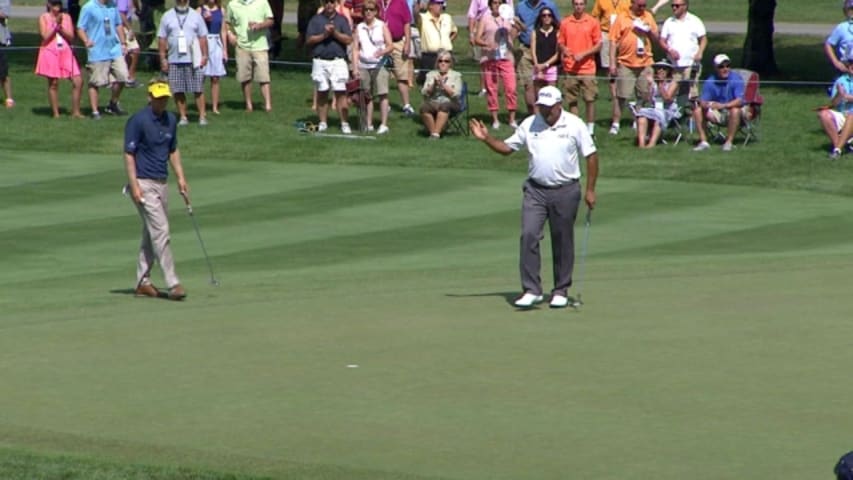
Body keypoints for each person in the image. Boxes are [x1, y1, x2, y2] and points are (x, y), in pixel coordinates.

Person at [469, 86, 598, 309]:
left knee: (562, 239)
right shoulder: (530, 123)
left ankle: (561, 290)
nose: (545, 111)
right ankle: (532, 289)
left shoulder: (574, 124)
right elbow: (507, 148)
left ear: (559, 105)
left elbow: (591, 156)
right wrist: (486, 138)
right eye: (542, 107)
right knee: (529, 234)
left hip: (566, 190)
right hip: (535, 190)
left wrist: (590, 189)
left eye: (549, 107)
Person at [124, 80, 188, 301]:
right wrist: (133, 186)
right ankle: (173, 282)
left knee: (151, 232)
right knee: (161, 231)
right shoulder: (138, 121)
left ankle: (143, 281)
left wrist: (180, 177)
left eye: (165, 98)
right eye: (158, 98)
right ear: (149, 97)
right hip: (143, 182)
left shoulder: (171, 120)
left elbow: (173, 150)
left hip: (162, 181)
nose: (162, 102)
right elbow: (129, 154)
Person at [607, 0, 657, 135]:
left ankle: (639, 118)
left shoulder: (648, 17)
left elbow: (656, 38)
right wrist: (612, 63)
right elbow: (612, 41)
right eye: (639, 5)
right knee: (621, 95)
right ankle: (616, 123)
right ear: (632, 4)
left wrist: (648, 31)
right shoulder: (622, 18)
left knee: (645, 94)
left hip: (645, 62)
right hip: (626, 63)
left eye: (644, 6)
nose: (642, 8)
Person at [158, 0, 209, 125]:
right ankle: (183, 117)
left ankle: (202, 116)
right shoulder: (167, 16)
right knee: (178, 90)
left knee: (198, 88)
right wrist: (163, 58)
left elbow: (203, 37)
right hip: (174, 59)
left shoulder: (196, 16)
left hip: (194, 59)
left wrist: (205, 55)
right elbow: (162, 38)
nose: (182, 1)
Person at [76, 0, 130, 119]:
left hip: (114, 49)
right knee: (96, 81)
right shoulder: (88, 7)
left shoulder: (112, 6)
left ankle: (113, 103)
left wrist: (123, 43)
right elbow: (80, 28)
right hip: (97, 50)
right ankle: (95, 111)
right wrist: (86, 40)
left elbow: (118, 24)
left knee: (123, 76)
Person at [306, 0, 353, 132]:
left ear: (335, 4)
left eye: (332, 2)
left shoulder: (342, 20)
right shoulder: (315, 20)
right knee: (322, 92)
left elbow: (349, 39)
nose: (329, 5)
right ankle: (323, 122)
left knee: (340, 93)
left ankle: (344, 123)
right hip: (320, 60)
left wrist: (335, 33)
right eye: (326, 2)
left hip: (338, 60)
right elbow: (309, 40)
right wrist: (324, 35)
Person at [557, 0, 601, 136]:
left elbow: (598, 45)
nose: (579, 7)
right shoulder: (566, 22)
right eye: (576, 4)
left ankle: (590, 129)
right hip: (570, 68)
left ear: (585, 5)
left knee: (589, 99)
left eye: (581, 4)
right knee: (572, 100)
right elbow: (560, 42)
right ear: (572, 5)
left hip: (587, 68)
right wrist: (564, 49)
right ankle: (575, 128)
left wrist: (584, 54)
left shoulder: (592, 22)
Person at [36, 0, 84, 118]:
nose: (56, 8)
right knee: (53, 83)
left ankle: (76, 111)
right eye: (54, 5)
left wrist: (61, 27)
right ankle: (55, 113)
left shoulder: (66, 17)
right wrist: (54, 25)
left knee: (78, 81)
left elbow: (71, 37)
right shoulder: (43, 17)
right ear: (48, 5)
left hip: (65, 51)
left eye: (58, 6)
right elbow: (45, 37)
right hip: (50, 51)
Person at [226, 0, 274, 112]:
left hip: (260, 45)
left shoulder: (262, 2)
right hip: (242, 46)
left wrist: (260, 25)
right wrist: (230, 34)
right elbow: (227, 23)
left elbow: (270, 20)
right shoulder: (233, 4)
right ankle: (249, 105)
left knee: (264, 77)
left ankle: (268, 105)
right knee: (245, 77)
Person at [475, 0, 517, 129]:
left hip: (506, 57)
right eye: (494, 3)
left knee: (511, 88)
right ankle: (495, 119)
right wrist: (487, 45)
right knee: (491, 88)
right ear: (490, 5)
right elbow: (476, 39)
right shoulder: (485, 19)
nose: (497, 6)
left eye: (499, 3)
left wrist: (515, 25)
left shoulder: (507, 18)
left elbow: (517, 31)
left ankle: (512, 119)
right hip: (490, 58)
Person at [353, 0, 393, 133]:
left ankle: (384, 124)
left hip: (379, 64)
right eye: (366, 10)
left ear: (376, 11)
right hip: (364, 64)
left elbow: (390, 45)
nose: (368, 12)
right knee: (366, 95)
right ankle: (368, 123)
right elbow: (355, 49)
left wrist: (382, 51)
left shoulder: (381, 25)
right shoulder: (359, 27)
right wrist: (355, 67)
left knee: (382, 93)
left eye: (371, 9)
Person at [513, 0, 559, 114]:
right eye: (544, 15)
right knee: (529, 85)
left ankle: (548, 115)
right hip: (526, 50)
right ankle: (533, 116)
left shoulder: (550, 5)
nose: (546, 17)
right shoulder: (520, 6)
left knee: (547, 88)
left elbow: (558, 24)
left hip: (546, 50)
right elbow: (515, 27)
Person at [692, 53, 744, 152]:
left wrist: (723, 105)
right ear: (715, 68)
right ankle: (704, 142)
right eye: (721, 66)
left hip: (736, 112)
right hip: (718, 113)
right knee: (698, 110)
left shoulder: (736, 79)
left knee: (735, 110)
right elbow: (703, 101)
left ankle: (728, 143)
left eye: (728, 66)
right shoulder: (710, 81)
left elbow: (740, 100)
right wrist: (707, 104)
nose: (725, 69)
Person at [657, 0, 705, 99]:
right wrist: (669, 50)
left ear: (685, 6)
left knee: (692, 97)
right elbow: (662, 41)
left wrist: (700, 52)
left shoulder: (695, 20)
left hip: (690, 65)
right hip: (674, 66)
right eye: (672, 6)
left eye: (677, 6)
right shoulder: (669, 22)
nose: (674, 8)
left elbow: (703, 39)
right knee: (669, 96)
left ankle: (690, 113)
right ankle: (675, 113)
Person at [590, 0, 628, 116]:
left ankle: (624, 91)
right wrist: (598, 34)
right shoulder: (601, 1)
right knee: (608, 66)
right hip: (606, 32)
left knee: (623, 63)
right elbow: (595, 16)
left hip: (622, 33)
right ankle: (614, 95)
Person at [634, 59, 678, 148]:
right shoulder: (653, 82)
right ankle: (641, 144)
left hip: (668, 109)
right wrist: (650, 85)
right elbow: (648, 99)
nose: (661, 70)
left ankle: (651, 144)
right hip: (655, 108)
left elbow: (667, 99)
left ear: (668, 71)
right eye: (658, 68)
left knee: (659, 117)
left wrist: (661, 84)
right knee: (642, 116)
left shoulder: (673, 83)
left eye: (664, 69)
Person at [381, 0, 415, 115]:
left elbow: (407, 23)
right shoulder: (377, 3)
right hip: (381, 44)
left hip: (398, 42)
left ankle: (406, 105)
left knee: (401, 75)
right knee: (383, 75)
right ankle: (386, 104)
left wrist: (407, 43)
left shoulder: (400, 2)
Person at [419, 49, 462, 138]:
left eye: (446, 61)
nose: (443, 63)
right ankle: (433, 133)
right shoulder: (430, 74)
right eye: (440, 61)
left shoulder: (456, 75)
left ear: (450, 63)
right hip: (434, 101)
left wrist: (443, 85)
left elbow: (456, 94)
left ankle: (436, 134)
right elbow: (425, 93)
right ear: (437, 63)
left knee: (444, 106)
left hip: (451, 102)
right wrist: (434, 84)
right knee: (424, 107)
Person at [818, 57, 853, 159]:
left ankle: (837, 150)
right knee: (823, 114)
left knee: (851, 116)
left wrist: (847, 97)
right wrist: (839, 94)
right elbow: (834, 103)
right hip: (844, 114)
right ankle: (841, 146)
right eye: (851, 64)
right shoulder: (841, 81)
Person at [416, 0, 456, 85]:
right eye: (438, 3)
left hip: (446, 55)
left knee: (449, 83)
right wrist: (417, 5)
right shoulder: (423, 18)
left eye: (442, 3)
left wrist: (446, 42)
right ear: (430, 5)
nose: (441, 5)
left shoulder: (447, 17)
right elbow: (415, 15)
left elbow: (454, 31)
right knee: (429, 85)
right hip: (430, 57)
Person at [199, 0, 227, 114]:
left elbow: (223, 30)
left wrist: (225, 49)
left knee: (215, 77)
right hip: (203, 42)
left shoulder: (221, 10)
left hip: (216, 43)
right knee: (201, 77)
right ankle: (201, 106)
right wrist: (203, 19)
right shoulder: (200, 10)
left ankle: (215, 107)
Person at [529, 7, 557, 92]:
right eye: (544, 15)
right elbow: (533, 51)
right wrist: (538, 67)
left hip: (551, 68)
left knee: (551, 96)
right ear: (540, 18)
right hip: (538, 67)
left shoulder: (557, 33)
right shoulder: (535, 33)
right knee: (539, 97)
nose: (547, 17)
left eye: (549, 15)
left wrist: (545, 65)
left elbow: (557, 53)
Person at [117, 0, 140, 87]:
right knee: (135, 50)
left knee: (129, 52)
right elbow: (121, 14)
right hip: (121, 26)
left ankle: (126, 77)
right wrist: (130, 29)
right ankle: (129, 78)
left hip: (124, 25)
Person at [826, 0, 853, 73]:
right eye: (851, 9)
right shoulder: (842, 27)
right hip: (846, 67)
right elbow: (829, 44)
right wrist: (836, 62)